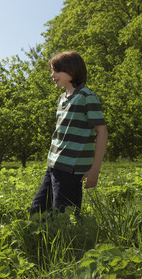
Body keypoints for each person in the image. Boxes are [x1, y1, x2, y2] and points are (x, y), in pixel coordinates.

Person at [29, 51, 108, 218]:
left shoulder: (87, 97)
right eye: (52, 71)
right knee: (38, 210)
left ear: (71, 70)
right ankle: (40, 242)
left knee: (64, 216)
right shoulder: (62, 98)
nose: (52, 75)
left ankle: (71, 243)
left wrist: (95, 170)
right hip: (53, 165)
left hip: (71, 168)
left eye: (56, 71)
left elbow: (102, 132)